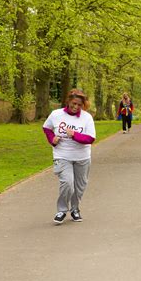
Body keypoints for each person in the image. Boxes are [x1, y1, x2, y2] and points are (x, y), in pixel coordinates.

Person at [43, 89, 96, 224]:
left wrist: (74, 135)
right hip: (62, 155)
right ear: (68, 101)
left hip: (82, 157)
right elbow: (47, 128)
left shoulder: (86, 117)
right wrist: (52, 139)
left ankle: (75, 209)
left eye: (79, 105)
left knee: (79, 187)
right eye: (73, 103)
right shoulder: (56, 115)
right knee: (67, 183)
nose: (75, 107)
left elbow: (90, 138)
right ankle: (61, 210)